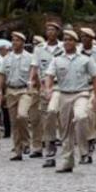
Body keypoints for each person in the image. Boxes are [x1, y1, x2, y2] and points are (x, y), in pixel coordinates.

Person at [43, 30, 96, 173]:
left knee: (81, 117)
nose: (67, 42)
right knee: (65, 130)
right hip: (64, 95)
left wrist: (95, 96)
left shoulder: (85, 59)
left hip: (81, 94)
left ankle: (84, 150)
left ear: (76, 43)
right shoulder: (57, 59)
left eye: (70, 40)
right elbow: (49, 75)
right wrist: (48, 88)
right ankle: (67, 161)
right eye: (65, 40)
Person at [0, 32, 35, 161]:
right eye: (13, 40)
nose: (14, 42)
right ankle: (18, 150)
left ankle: (26, 142)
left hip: (24, 91)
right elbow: (1, 74)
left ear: (23, 42)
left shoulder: (30, 58)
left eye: (17, 40)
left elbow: (35, 74)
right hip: (11, 91)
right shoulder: (7, 58)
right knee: (14, 122)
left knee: (22, 115)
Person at [29, 22, 64, 159]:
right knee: (44, 115)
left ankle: (64, 141)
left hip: (61, 85)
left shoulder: (63, 47)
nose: (50, 32)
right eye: (48, 30)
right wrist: (32, 81)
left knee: (60, 114)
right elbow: (35, 67)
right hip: (45, 85)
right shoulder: (39, 49)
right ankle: (46, 143)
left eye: (53, 30)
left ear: (57, 32)